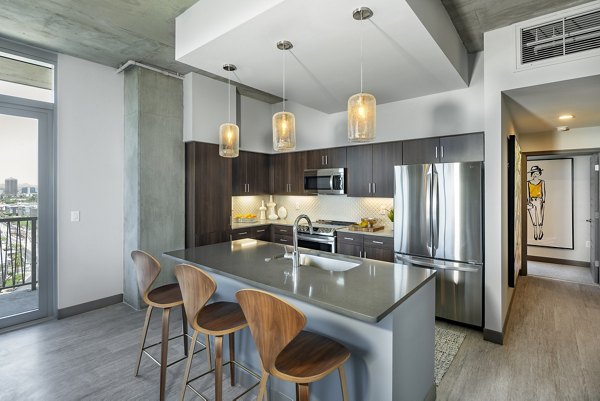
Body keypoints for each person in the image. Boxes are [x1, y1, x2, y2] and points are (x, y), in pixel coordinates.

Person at [527, 165, 546, 240]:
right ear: (532, 174)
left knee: (540, 217)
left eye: (537, 173)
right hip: (531, 200)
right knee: (533, 218)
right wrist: (528, 201)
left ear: (539, 173)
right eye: (534, 173)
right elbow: (528, 193)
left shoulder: (542, 182)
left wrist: (543, 200)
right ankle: (535, 232)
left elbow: (543, 192)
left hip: (539, 200)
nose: (535, 174)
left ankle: (540, 231)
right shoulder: (528, 182)